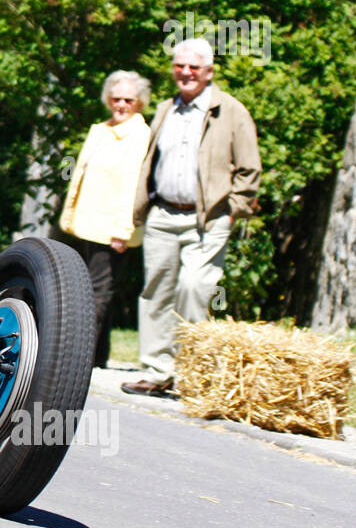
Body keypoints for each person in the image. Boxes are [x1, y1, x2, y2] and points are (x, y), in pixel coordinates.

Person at [122, 37, 262, 397]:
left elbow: (249, 170)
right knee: (156, 293)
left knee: (194, 288)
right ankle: (157, 372)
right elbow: (152, 161)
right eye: (179, 66)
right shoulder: (166, 109)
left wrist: (233, 212)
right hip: (163, 214)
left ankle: (192, 374)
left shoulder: (230, 111)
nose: (185, 73)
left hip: (209, 218)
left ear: (209, 72)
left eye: (193, 67)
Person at [56, 70, 153, 369]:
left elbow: (134, 186)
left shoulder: (140, 135)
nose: (121, 104)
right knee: (94, 290)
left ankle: (77, 359)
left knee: (95, 293)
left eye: (128, 99)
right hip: (85, 224)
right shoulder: (99, 129)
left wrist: (123, 230)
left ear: (140, 103)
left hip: (112, 229)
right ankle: (98, 356)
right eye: (116, 98)